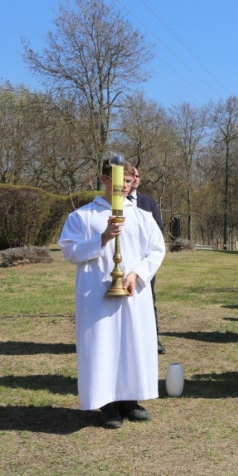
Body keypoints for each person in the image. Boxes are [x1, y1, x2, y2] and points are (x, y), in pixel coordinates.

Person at [59, 160, 165, 429]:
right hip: (96, 293)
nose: (125, 186)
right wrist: (103, 238)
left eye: (129, 181)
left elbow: (156, 249)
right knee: (102, 345)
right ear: (104, 180)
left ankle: (130, 400)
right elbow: (70, 251)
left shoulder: (142, 216)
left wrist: (137, 274)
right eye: (120, 181)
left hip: (132, 293)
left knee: (133, 342)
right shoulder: (82, 216)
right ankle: (107, 405)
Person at [128, 165, 167, 355]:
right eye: (132, 176)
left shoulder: (147, 202)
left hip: (144, 262)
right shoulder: (112, 203)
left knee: (149, 299)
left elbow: (158, 230)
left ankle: (153, 340)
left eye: (137, 176)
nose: (136, 178)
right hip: (122, 262)